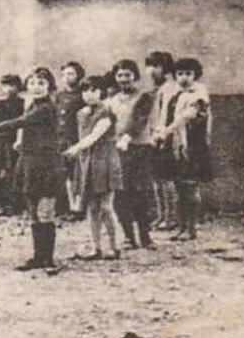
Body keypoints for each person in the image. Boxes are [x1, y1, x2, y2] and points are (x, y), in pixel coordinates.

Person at [0, 69, 68, 272]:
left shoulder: (47, 108)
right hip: (30, 162)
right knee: (33, 211)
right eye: (32, 83)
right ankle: (38, 256)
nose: (36, 86)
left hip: (47, 164)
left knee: (45, 211)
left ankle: (48, 258)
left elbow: (20, 123)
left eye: (41, 83)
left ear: (50, 87)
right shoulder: (31, 105)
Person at [63, 76, 123, 261]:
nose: (89, 94)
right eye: (85, 90)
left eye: (94, 90)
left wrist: (76, 148)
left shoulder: (106, 113)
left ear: (102, 92)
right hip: (86, 162)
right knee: (92, 208)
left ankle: (115, 246)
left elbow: (95, 136)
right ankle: (96, 247)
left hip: (105, 162)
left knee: (106, 206)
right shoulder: (81, 113)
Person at [108, 60, 157, 250]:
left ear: (134, 76)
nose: (123, 79)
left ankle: (145, 236)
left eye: (127, 75)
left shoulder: (144, 97)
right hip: (118, 150)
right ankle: (128, 236)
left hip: (139, 149)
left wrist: (127, 137)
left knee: (141, 193)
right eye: (119, 75)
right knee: (120, 193)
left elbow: (139, 119)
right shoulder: (112, 98)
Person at [162, 58, 212, 241]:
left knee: (190, 187)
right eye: (180, 74)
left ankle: (191, 228)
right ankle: (181, 226)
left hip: (192, 145)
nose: (184, 77)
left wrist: (166, 132)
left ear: (195, 75)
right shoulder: (175, 95)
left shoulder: (199, 94)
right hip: (176, 144)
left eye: (188, 74)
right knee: (178, 187)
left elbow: (186, 117)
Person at [144, 51, 180, 229]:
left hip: (166, 136)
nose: (151, 70)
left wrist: (162, 135)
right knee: (156, 178)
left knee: (166, 178)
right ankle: (161, 215)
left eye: (156, 66)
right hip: (152, 136)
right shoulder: (154, 89)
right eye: (149, 66)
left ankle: (171, 217)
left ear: (165, 68)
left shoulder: (171, 88)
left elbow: (166, 115)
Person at [0, 74, 25, 216]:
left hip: (13, 140)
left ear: (18, 87)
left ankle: (12, 205)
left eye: (12, 85)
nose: (8, 89)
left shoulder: (22, 103)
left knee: (11, 172)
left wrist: (19, 139)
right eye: (5, 85)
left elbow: (22, 123)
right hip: (0, 140)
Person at [56, 61, 88, 216]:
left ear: (79, 76)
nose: (66, 77)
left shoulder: (83, 95)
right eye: (64, 74)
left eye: (71, 74)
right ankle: (70, 206)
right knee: (67, 174)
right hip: (62, 139)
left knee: (79, 173)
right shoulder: (59, 95)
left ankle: (80, 207)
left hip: (77, 138)